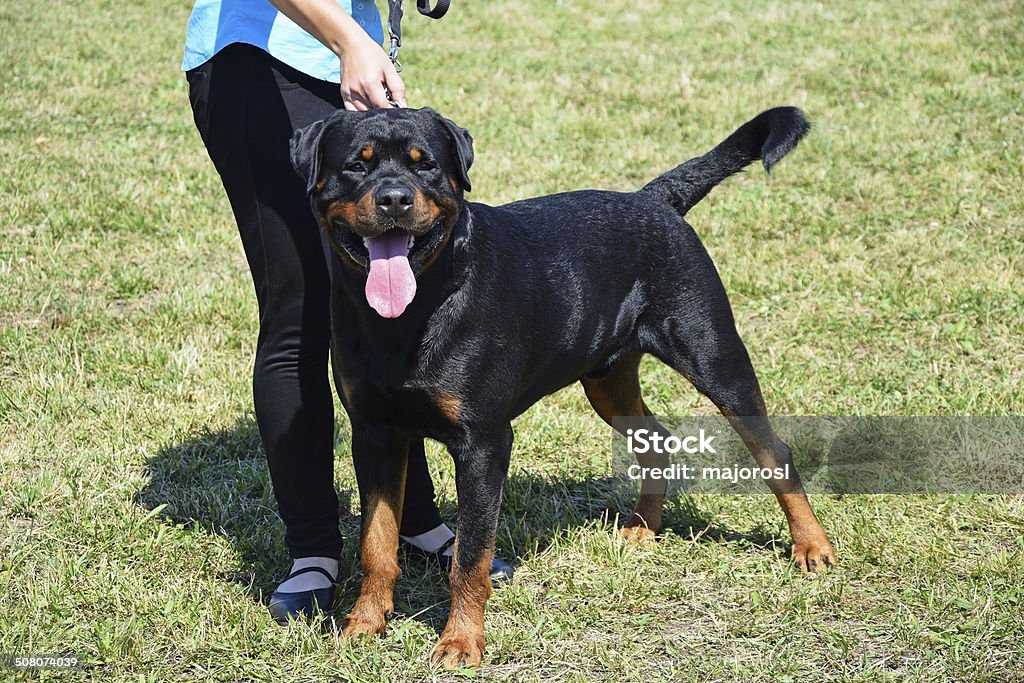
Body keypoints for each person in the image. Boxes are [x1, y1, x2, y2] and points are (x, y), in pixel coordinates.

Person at [181, 0, 512, 624]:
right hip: (263, 57)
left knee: (392, 304)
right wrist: (349, 40)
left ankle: (413, 522)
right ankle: (313, 551)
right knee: (300, 308)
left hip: (351, 49)